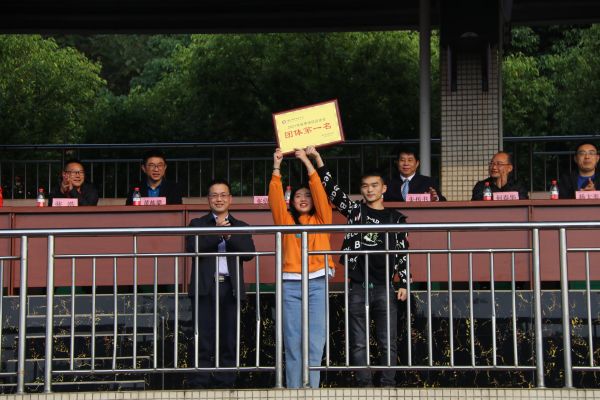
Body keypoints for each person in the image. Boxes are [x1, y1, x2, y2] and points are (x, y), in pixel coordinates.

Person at [311, 147, 409, 387]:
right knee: (358, 342)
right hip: (358, 286)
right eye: (365, 186)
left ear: (383, 188)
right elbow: (333, 191)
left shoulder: (395, 218)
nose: (369, 189)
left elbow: (402, 251)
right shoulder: (356, 211)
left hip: (386, 286)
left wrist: (404, 282)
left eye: (374, 185)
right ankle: (364, 385)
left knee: (388, 341)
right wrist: (318, 160)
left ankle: (388, 385)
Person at [268, 147, 334, 388]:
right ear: (292, 201)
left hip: (317, 282)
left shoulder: (322, 218)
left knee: (315, 341)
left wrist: (308, 162)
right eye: (298, 196)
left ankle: (311, 390)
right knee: (293, 341)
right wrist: (277, 166)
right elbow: (275, 199)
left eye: (307, 195)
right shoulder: (285, 221)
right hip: (290, 284)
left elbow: (320, 191)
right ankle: (293, 390)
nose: (303, 199)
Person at [186, 179, 255, 388]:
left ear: (230, 199)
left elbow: (248, 253)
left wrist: (229, 235)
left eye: (223, 195)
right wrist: (217, 233)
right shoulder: (197, 224)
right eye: (214, 195)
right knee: (203, 336)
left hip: (230, 287)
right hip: (205, 287)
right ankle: (200, 381)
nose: (219, 199)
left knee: (229, 336)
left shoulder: (241, 226)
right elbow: (192, 247)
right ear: (208, 199)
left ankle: (226, 380)